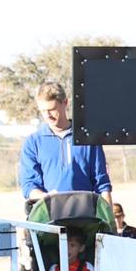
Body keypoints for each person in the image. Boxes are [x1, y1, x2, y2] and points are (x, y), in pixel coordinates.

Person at [19, 80, 114, 211]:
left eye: (52, 110)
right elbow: (29, 185)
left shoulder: (87, 137)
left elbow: (102, 184)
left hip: (85, 215)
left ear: (65, 103)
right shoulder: (33, 142)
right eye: (43, 111)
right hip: (49, 215)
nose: (47, 115)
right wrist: (47, 198)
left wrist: (109, 219)